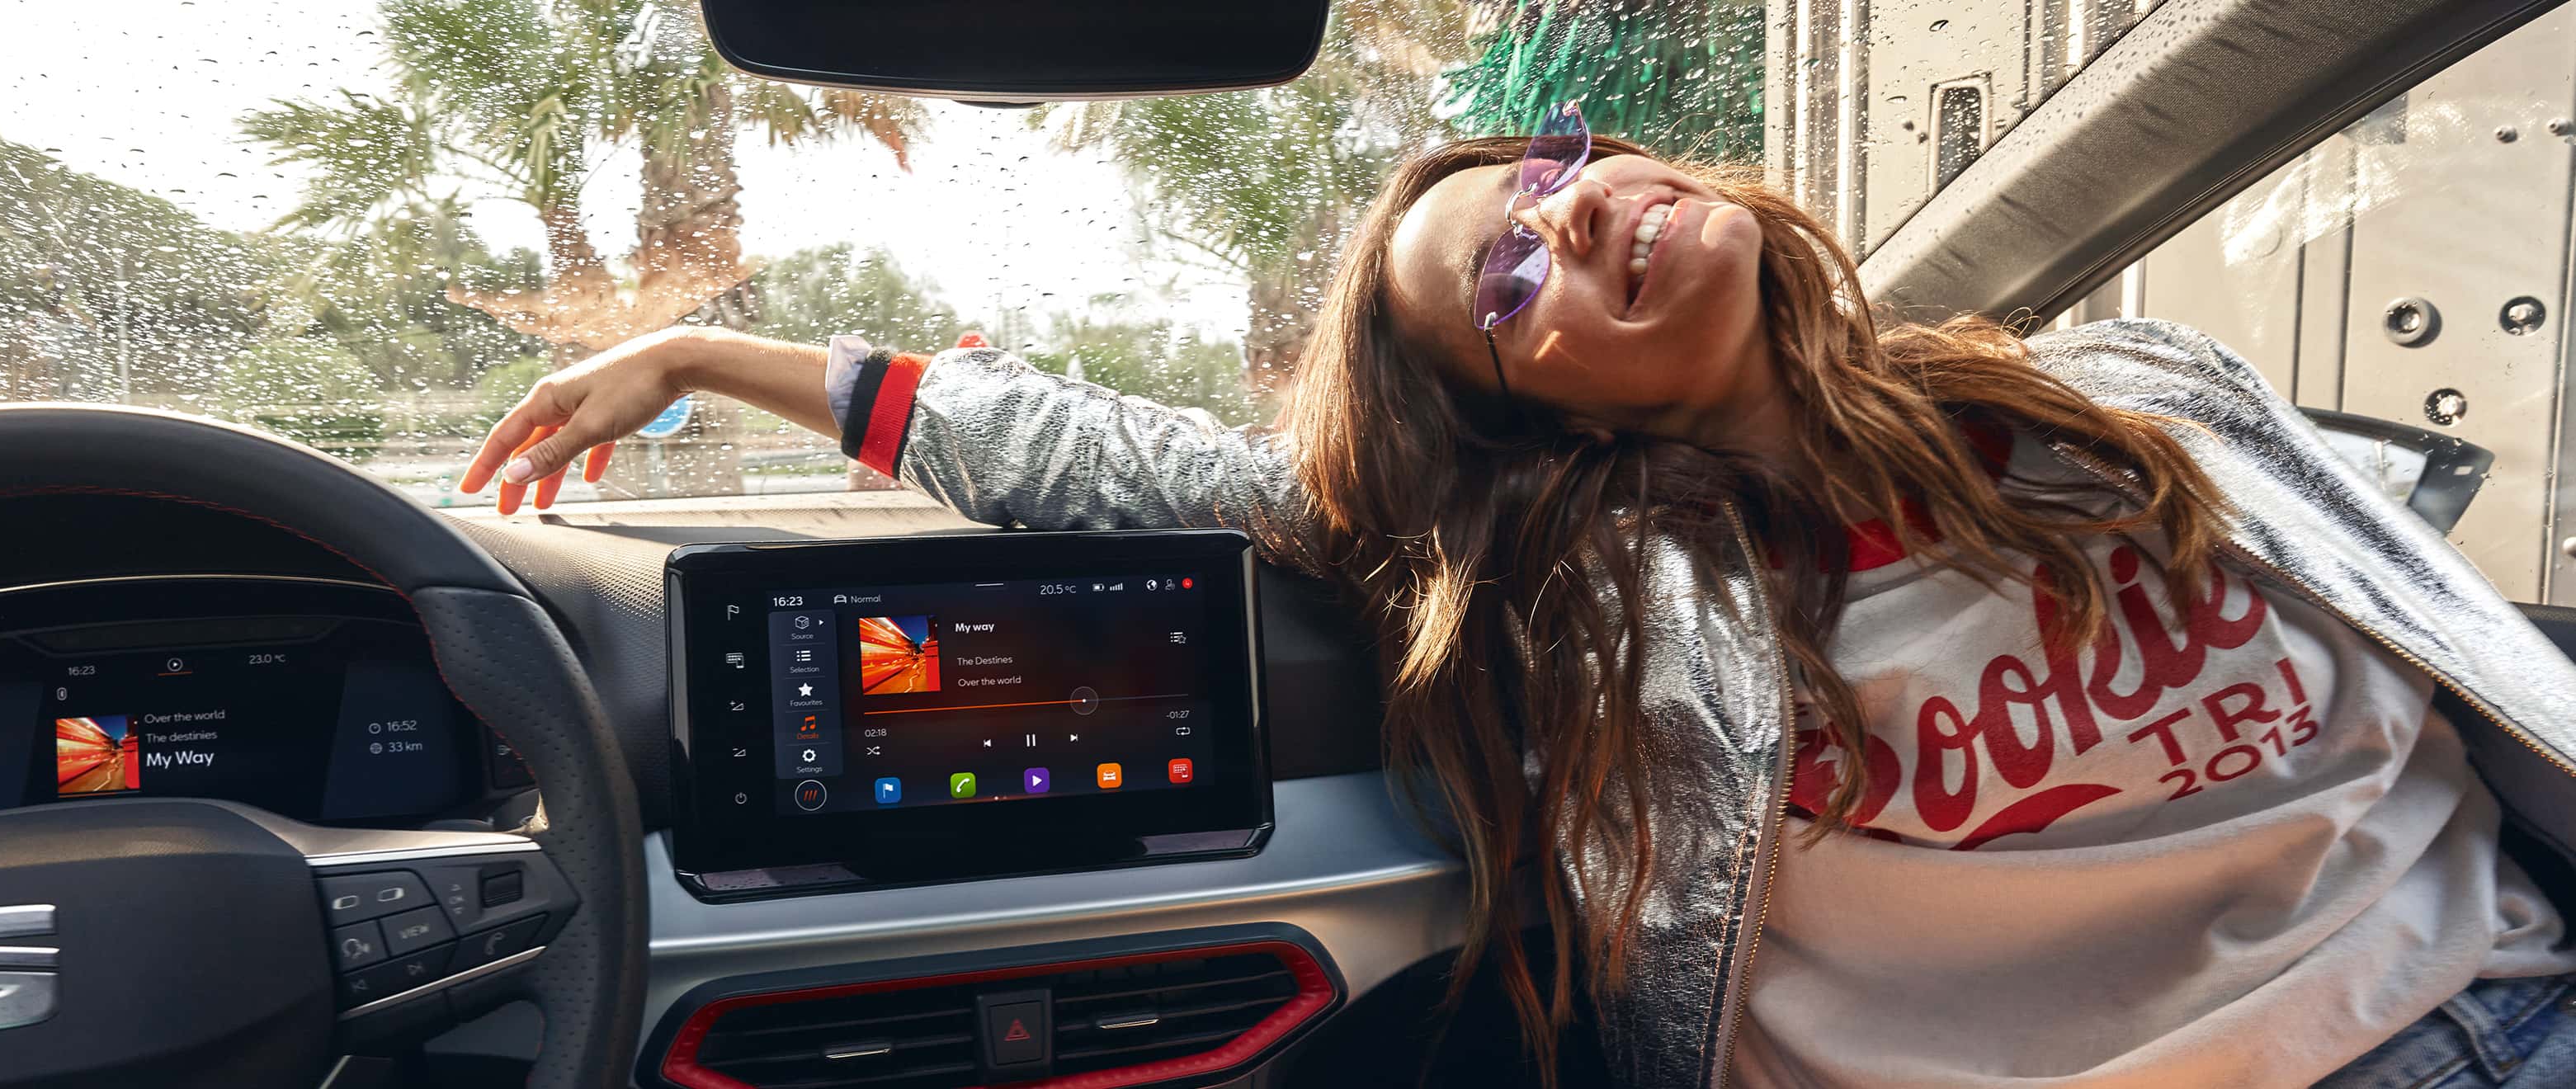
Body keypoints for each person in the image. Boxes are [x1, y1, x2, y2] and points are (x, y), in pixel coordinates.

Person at [465, 106, 2576, 1087]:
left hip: (2506, 1000)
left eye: (1557, 181)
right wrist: (717, 357)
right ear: (1519, 417)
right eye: (1505, 281)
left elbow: (2465, 667)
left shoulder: (2127, 396)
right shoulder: (1590, 605)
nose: (1571, 229)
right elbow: (1138, 468)